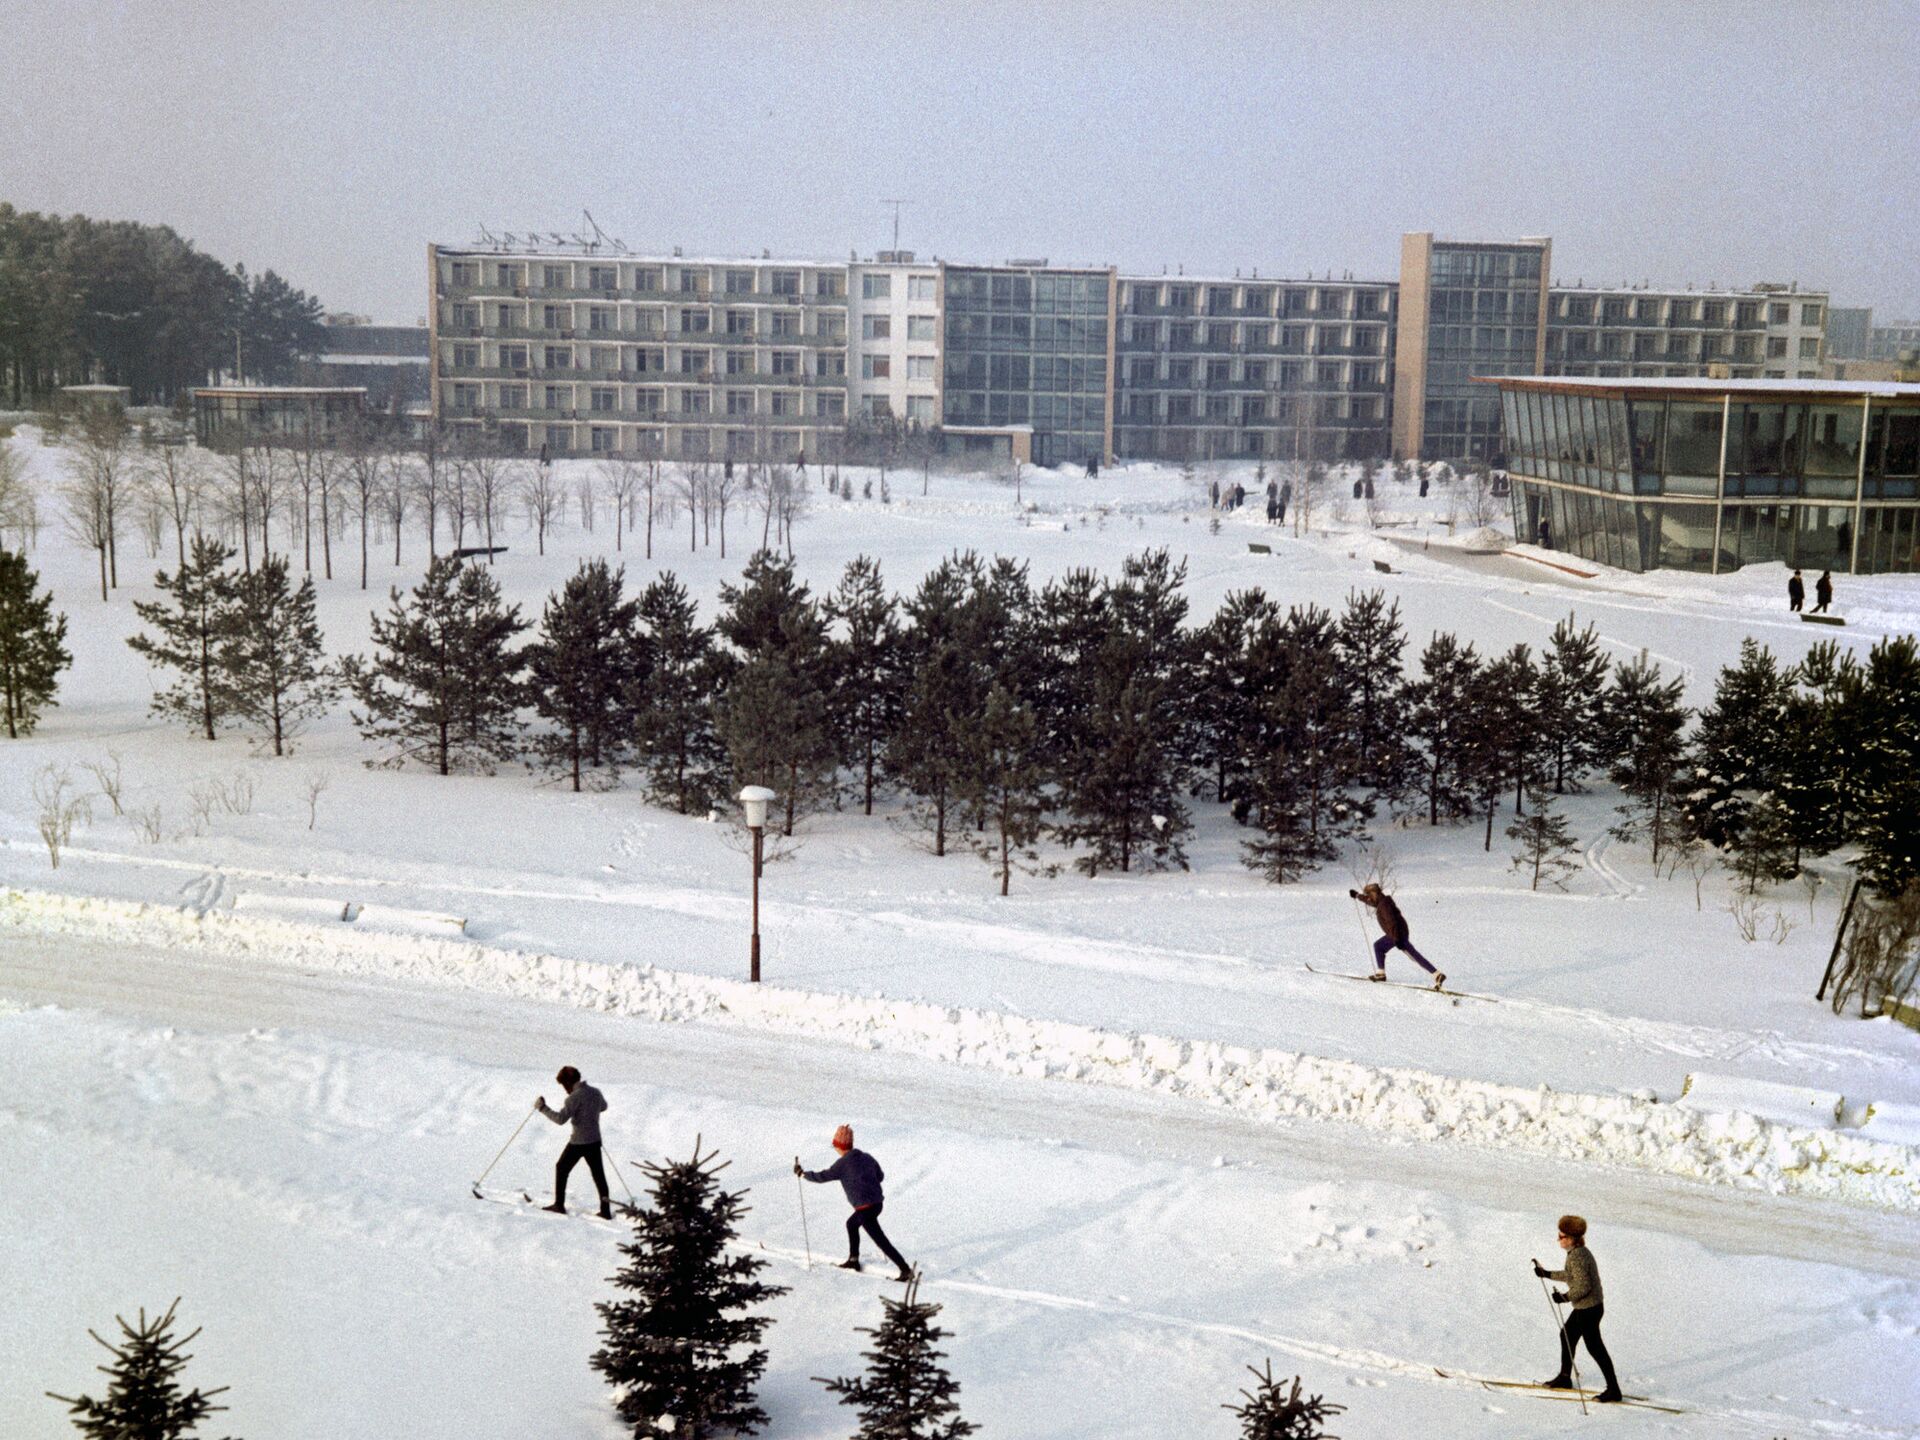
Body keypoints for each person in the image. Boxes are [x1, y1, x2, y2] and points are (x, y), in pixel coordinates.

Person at [796, 1125, 911, 1281]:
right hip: (877, 1204)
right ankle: (853, 1260)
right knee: (851, 1224)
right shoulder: (867, 1157)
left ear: (840, 1146)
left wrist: (803, 1174)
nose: (835, 1149)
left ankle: (906, 1270)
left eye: (835, 1146)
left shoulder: (842, 1164)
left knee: (880, 1240)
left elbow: (822, 1177)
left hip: (865, 1209)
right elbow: (880, 1176)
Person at [1532, 1215, 1622, 1403]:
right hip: (1587, 1307)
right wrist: (1547, 1274)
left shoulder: (1578, 1256)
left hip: (1588, 1309)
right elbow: (1571, 1276)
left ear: (1572, 1238)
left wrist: (1564, 1297)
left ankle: (1614, 1390)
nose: (1559, 1239)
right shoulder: (1577, 1253)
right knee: (1567, 1335)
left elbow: (1583, 1287)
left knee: (1595, 1348)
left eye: (1562, 1236)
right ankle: (1565, 1378)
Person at [536, 1065, 611, 1218]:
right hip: (595, 1141)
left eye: (564, 1085)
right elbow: (603, 1107)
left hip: (578, 1142)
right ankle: (605, 1211)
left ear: (567, 1083)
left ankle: (559, 1205)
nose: (564, 1089)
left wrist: (542, 1108)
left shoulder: (573, 1097)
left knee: (561, 1168)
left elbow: (560, 1119)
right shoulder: (595, 1092)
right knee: (599, 1176)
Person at [1348, 882, 1445, 989]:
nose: (1369, 898)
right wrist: (1357, 896)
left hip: (1398, 932)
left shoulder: (1384, 905)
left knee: (1411, 954)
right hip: (1397, 932)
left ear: (1374, 893)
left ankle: (1437, 974)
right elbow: (1370, 901)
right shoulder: (1381, 901)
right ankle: (1381, 974)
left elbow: (1392, 922)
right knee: (1385, 947)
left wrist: (1396, 939)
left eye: (1369, 895)